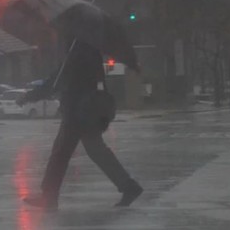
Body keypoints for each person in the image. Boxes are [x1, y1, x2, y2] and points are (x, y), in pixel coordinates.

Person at [18, 41, 142, 211]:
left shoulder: (77, 50)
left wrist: (29, 96)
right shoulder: (89, 49)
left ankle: (49, 196)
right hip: (87, 110)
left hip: (77, 111)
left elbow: (57, 81)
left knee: (61, 153)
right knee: (96, 150)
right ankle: (128, 186)